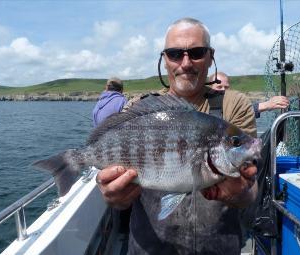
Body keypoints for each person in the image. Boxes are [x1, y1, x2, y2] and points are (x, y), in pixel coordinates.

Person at [96, 18, 258, 254]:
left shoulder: (235, 105)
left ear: (211, 57)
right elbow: (114, 190)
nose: (186, 62)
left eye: (196, 52)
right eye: (175, 54)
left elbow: (250, 193)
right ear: (164, 60)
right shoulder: (138, 108)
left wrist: (240, 192)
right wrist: (114, 198)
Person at [209, 72, 290, 118]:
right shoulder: (205, 105)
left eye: (226, 87)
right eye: (219, 87)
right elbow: (239, 113)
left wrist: (268, 105)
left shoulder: (231, 104)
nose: (223, 90)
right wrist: (267, 105)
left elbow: (243, 110)